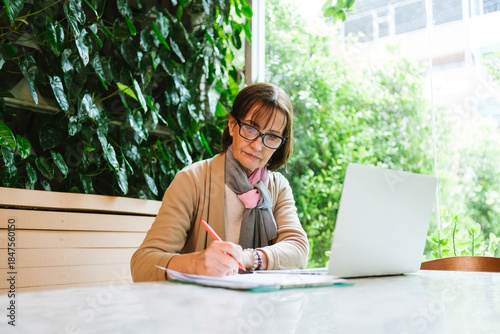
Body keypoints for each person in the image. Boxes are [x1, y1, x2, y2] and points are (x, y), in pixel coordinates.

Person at [131, 83, 309, 281]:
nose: (258, 145)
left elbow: (298, 249)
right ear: (232, 125)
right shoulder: (192, 180)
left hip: (261, 307)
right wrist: (195, 264)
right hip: (202, 309)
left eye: (272, 136)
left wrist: (249, 258)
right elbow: (142, 264)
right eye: (251, 128)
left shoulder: (278, 187)